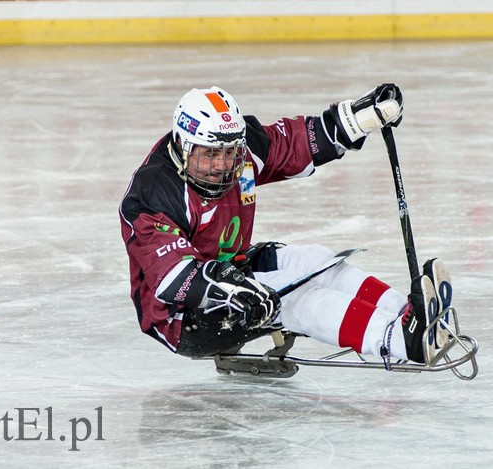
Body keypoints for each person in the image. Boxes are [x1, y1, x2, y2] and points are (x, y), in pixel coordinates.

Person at [119, 84, 450, 366]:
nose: (221, 166)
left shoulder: (242, 149)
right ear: (182, 144)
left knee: (317, 262)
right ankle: (397, 341)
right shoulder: (153, 194)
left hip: (231, 264)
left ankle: (409, 315)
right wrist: (235, 290)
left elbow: (290, 144)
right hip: (183, 315)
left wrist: (359, 118)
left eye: (230, 153)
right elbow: (172, 278)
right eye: (208, 154)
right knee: (294, 296)